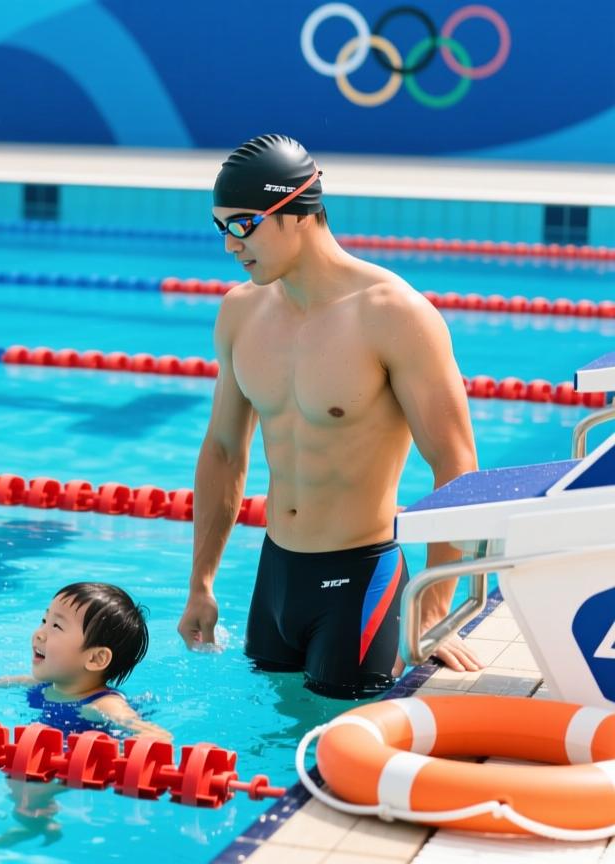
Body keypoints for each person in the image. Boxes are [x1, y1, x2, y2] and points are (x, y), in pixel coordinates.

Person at [176, 133, 482, 698]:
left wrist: (435, 608)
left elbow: (456, 466)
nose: (230, 246)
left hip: (359, 583)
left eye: (242, 224)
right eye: (222, 228)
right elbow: (223, 450)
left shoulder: (393, 314)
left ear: (296, 211)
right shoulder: (241, 312)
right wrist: (201, 583)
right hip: (274, 580)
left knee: (336, 757)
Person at [0, 581, 169, 740]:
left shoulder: (104, 705)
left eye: (56, 626)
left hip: (78, 764)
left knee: (29, 789)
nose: (40, 633)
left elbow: (155, 734)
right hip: (46, 755)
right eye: (44, 620)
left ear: (96, 658)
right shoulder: (38, 685)